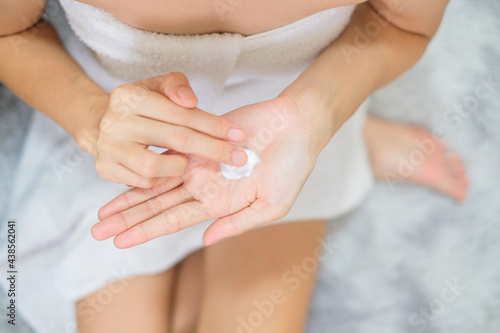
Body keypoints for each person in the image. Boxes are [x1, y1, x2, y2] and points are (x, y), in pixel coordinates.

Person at [0, 0, 467, 332]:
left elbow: (399, 23)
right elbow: (9, 30)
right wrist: (92, 116)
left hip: (290, 113)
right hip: (123, 116)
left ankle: (353, 129)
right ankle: (363, 136)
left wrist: (316, 112)